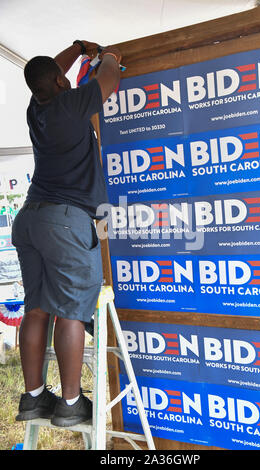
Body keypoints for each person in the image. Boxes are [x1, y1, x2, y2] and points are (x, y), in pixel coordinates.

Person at [12, 40, 121, 427]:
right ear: (61, 82)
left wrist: (76, 48)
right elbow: (108, 80)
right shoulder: (70, 104)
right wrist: (110, 57)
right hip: (65, 221)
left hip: (29, 219)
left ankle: (34, 398)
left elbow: (46, 72)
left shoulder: (36, 108)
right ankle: (72, 404)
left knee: (37, 308)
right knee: (72, 313)